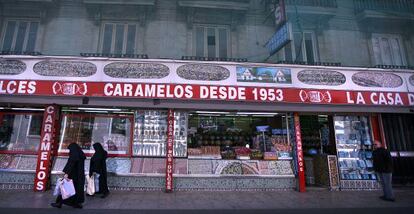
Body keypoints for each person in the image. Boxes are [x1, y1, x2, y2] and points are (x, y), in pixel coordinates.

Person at [51, 143, 86, 208]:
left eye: (70, 150)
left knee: (65, 188)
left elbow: (70, 165)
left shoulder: (74, 155)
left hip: (73, 175)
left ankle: (59, 203)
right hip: (80, 176)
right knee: (77, 190)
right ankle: (77, 203)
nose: (70, 151)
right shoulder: (81, 154)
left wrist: (66, 173)